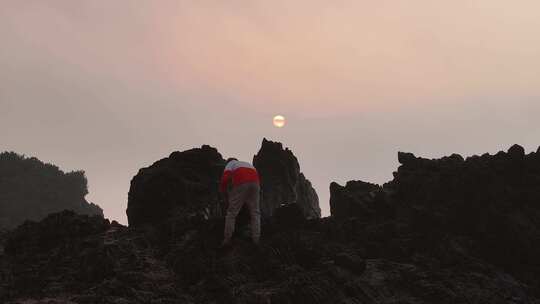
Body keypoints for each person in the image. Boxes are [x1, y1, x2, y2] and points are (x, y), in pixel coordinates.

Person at [219, 158, 261, 247]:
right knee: (255, 213)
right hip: (256, 183)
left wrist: (223, 193)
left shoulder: (230, 164)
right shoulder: (247, 163)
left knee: (231, 213)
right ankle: (256, 239)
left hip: (242, 182)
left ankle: (227, 239)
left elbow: (225, 178)